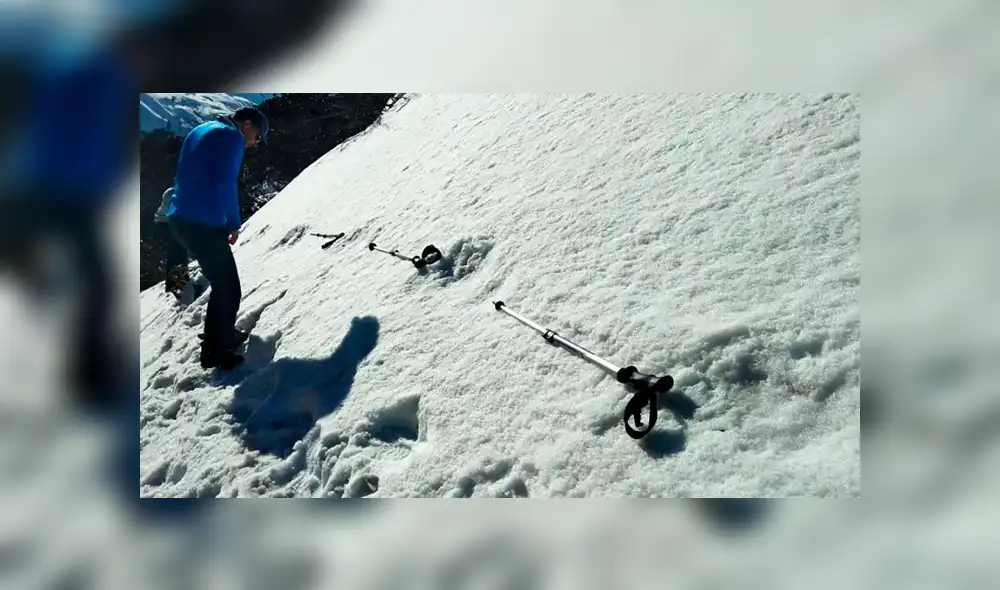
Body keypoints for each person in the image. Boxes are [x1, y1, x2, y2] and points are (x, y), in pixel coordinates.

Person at [165, 107, 269, 370]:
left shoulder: (200, 129)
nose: (255, 143)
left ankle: (220, 337)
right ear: (246, 124)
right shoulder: (231, 137)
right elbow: (224, 182)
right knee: (228, 286)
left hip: (179, 219)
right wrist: (232, 222)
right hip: (201, 223)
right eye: (257, 135)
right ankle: (217, 352)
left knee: (222, 282)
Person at [153, 187, 191, 298]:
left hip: (168, 222)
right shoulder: (171, 194)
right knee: (177, 252)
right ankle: (178, 286)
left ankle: (177, 283)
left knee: (178, 251)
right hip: (164, 224)